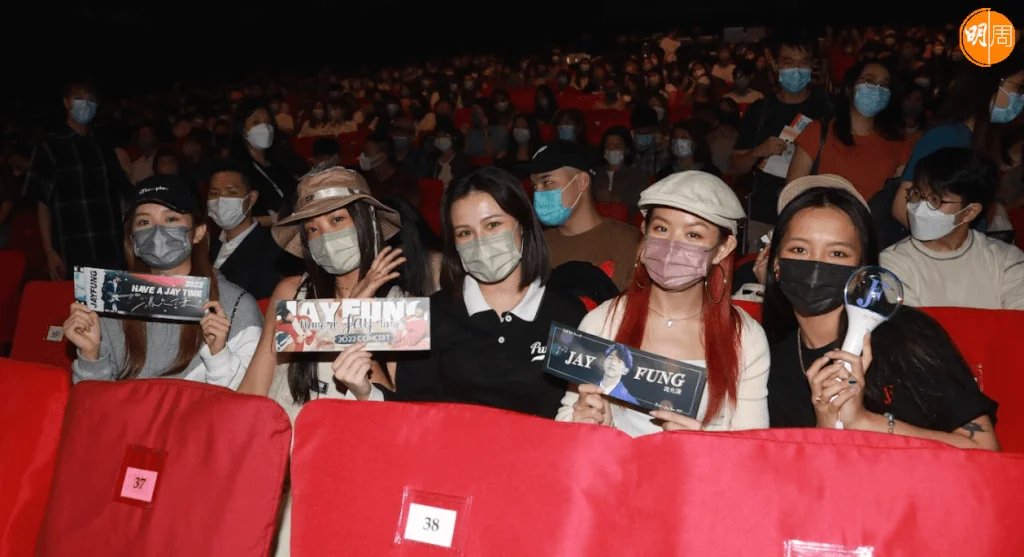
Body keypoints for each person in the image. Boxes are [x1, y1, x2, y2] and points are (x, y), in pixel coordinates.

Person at [763, 174, 999, 450]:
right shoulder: (771, 363)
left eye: (837, 253)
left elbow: (984, 447)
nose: (816, 265)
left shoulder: (907, 334)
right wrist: (825, 430)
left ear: (862, 269)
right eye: (799, 249)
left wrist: (863, 422)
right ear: (776, 264)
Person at [335, 167, 588, 418]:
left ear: (523, 225)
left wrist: (593, 414)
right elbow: (411, 413)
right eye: (465, 233)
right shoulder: (426, 317)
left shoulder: (569, 312)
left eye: (493, 225)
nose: (480, 241)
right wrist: (365, 392)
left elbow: (578, 407)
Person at [556, 171, 769, 436]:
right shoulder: (602, 322)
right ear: (644, 233)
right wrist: (591, 423)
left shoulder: (746, 338)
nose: (672, 247)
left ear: (723, 248)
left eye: (693, 235)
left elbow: (751, 445)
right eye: (661, 229)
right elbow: (568, 414)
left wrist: (701, 443)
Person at [64, 175, 263, 388]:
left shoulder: (237, 307)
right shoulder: (111, 301)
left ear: (198, 232)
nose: (157, 231)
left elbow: (250, 396)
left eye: (171, 219)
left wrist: (219, 354)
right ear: (132, 239)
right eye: (144, 222)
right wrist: (91, 354)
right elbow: (94, 400)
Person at [881, 148, 1024, 309]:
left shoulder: (1006, 261)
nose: (920, 207)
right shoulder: (892, 263)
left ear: (969, 212)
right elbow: (912, 323)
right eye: (917, 194)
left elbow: (1018, 319)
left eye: (935, 200)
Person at [891, 57, 1024, 229]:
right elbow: (902, 207)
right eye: (1019, 88)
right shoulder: (947, 136)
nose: (1021, 98)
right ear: (990, 85)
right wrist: (946, 245)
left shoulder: (984, 142)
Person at [731, 34, 833, 250]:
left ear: (813, 65)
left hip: (818, 214)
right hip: (765, 215)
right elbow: (736, 166)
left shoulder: (828, 108)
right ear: (776, 65)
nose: (797, 70)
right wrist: (759, 151)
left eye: (804, 63)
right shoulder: (759, 111)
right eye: (788, 62)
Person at [28, 80, 129, 280]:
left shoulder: (104, 146)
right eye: (78, 98)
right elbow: (43, 204)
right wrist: (50, 251)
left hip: (110, 248)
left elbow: (120, 196)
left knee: (114, 298)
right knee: (76, 301)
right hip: (71, 250)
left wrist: (126, 241)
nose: (85, 104)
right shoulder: (49, 147)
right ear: (66, 102)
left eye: (90, 99)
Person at [787, 59, 912, 201]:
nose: (877, 89)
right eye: (869, 81)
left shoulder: (898, 144)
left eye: (884, 85)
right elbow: (791, 194)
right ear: (849, 89)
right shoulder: (818, 132)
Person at [529, 141, 642, 292]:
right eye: (534, 186)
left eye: (547, 182)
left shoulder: (630, 243)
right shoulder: (537, 247)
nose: (538, 192)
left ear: (582, 182)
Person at [207, 160, 289, 300]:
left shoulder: (275, 250)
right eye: (214, 194)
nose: (221, 200)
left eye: (231, 192)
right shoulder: (203, 246)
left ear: (251, 198)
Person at [230, 99, 300, 227]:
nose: (265, 127)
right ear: (243, 130)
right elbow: (231, 219)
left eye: (268, 122)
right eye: (256, 122)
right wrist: (272, 220)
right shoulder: (235, 169)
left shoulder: (283, 162)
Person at [591, 126, 650, 216]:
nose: (612, 149)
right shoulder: (595, 174)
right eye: (608, 146)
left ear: (627, 150)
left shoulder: (638, 176)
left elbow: (643, 204)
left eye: (617, 146)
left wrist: (615, 199)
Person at [359, 132, 420, 207]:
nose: (362, 156)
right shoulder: (366, 178)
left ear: (382, 156)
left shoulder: (405, 181)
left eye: (367, 153)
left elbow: (408, 209)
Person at [657, 120, 724, 179]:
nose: (678, 141)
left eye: (684, 137)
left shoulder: (711, 173)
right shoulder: (664, 174)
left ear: (696, 141)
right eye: (675, 138)